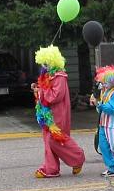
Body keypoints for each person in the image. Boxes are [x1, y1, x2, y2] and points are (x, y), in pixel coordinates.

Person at [32, 45, 85, 178]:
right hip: (47, 114)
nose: (44, 66)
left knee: (55, 138)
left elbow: (56, 96)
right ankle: (51, 169)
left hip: (58, 114)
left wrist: (41, 90)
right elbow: (44, 91)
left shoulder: (60, 76)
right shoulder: (47, 75)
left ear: (53, 61)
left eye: (46, 63)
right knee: (47, 139)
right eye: (43, 63)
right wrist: (38, 88)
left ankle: (78, 158)